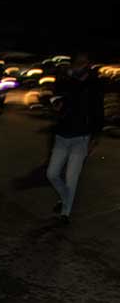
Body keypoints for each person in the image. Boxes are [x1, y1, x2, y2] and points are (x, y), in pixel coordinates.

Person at [46, 51, 104, 224]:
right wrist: (56, 104)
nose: (82, 65)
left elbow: (98, 112)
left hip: (82, 137)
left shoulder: (93, 85)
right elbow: (54, 99)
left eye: (85, 62)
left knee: (72, 178)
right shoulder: (65, 81)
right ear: (73, 64)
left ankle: (66, 213)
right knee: (52, 174)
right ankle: (65, 199)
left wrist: (96, 135)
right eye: (79, 62)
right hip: (62, 136)